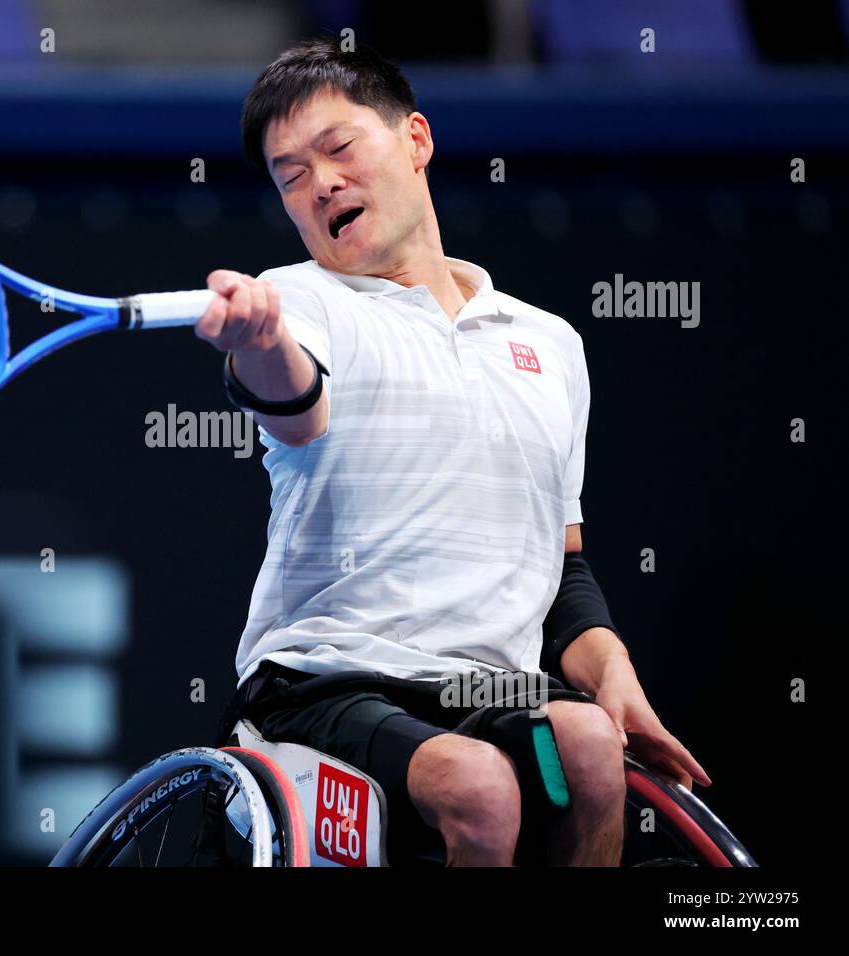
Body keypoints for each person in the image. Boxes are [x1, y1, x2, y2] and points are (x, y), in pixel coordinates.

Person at [196, 38, 710, 866]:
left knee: (581, 746)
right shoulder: (301, 299)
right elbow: (293, 405)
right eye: (290, 176)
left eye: (339, 148)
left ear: (416, 141)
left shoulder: (552, 344)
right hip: (324, 685)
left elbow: (563, 571)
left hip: (489, 691)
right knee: (478, 787)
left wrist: (612, 672)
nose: (320, 182)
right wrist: (256, 341)